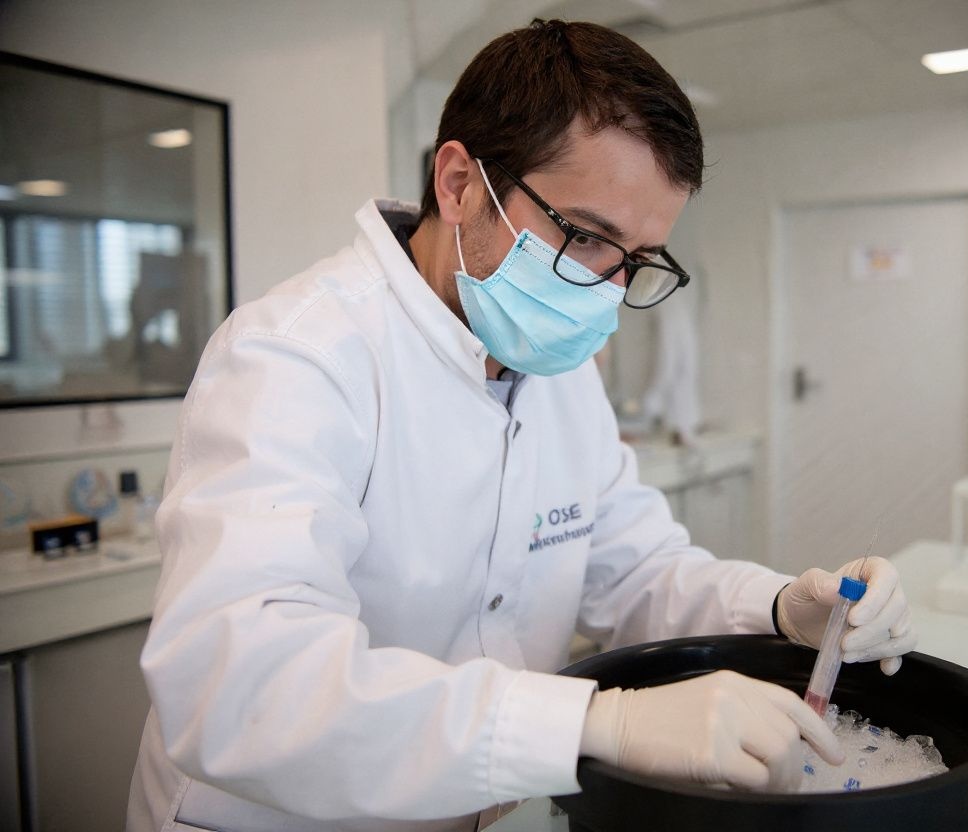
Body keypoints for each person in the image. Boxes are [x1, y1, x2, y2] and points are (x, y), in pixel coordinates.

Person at [126, 19, 916, 832]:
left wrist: (785, 608)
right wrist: (593, 724)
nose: (607, 290)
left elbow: (635, 572)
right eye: (586, 237)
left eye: (638, 260)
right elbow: (242, 684)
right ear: (460, 183)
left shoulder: (560, 371)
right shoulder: (297, 356)